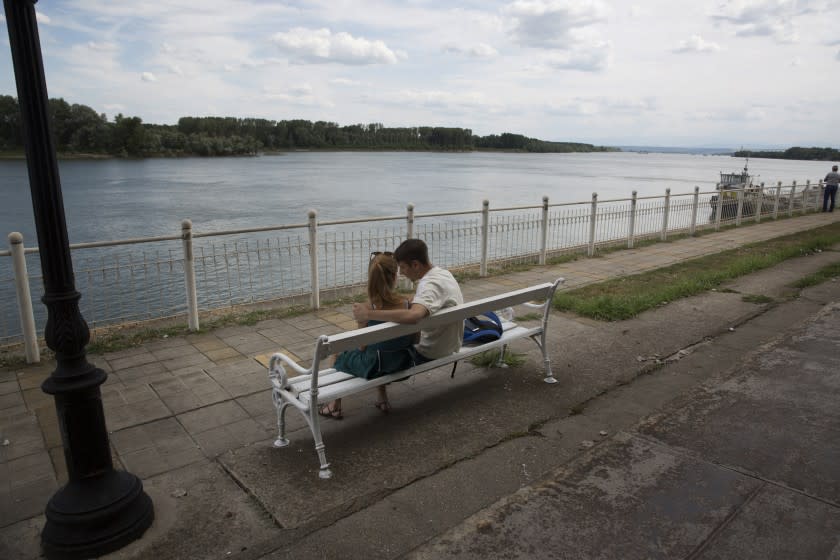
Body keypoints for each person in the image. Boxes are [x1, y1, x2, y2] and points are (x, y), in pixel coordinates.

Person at [318, 252, 416, 420]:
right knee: (380, 348)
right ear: (395, 277)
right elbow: (416, 339)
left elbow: (361, 347)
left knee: (340, 352)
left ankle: (334, 405)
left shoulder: (367, 309)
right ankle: (382, 398)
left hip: (376, 366)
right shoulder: (409, 305)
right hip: (403, 361)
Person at [352, 238, 464, 364]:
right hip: (450, 346)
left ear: (415, 265)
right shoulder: (443, 274)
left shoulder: (429, 285)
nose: (401, 273)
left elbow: (414, 316)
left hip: (429, 352)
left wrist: (368, 314)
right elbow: (429, 297)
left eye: (403, 267)